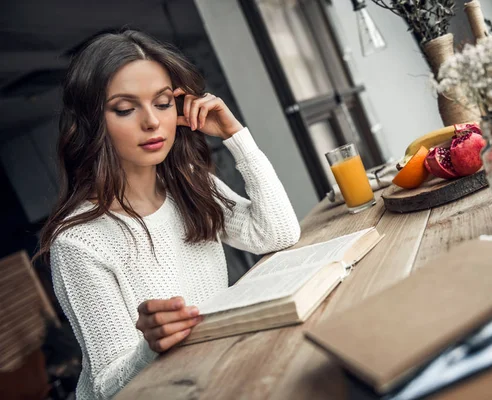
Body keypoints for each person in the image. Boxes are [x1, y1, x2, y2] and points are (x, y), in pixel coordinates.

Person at [35, 30, 301, 400]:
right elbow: (106, 389)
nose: (152, 122)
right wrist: (150, 347)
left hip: (218, 375)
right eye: (125, 109)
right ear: (93, 122)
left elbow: (276, 234)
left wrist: (235, 135)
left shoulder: (189, 183)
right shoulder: (80, 242)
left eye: (162, 103)